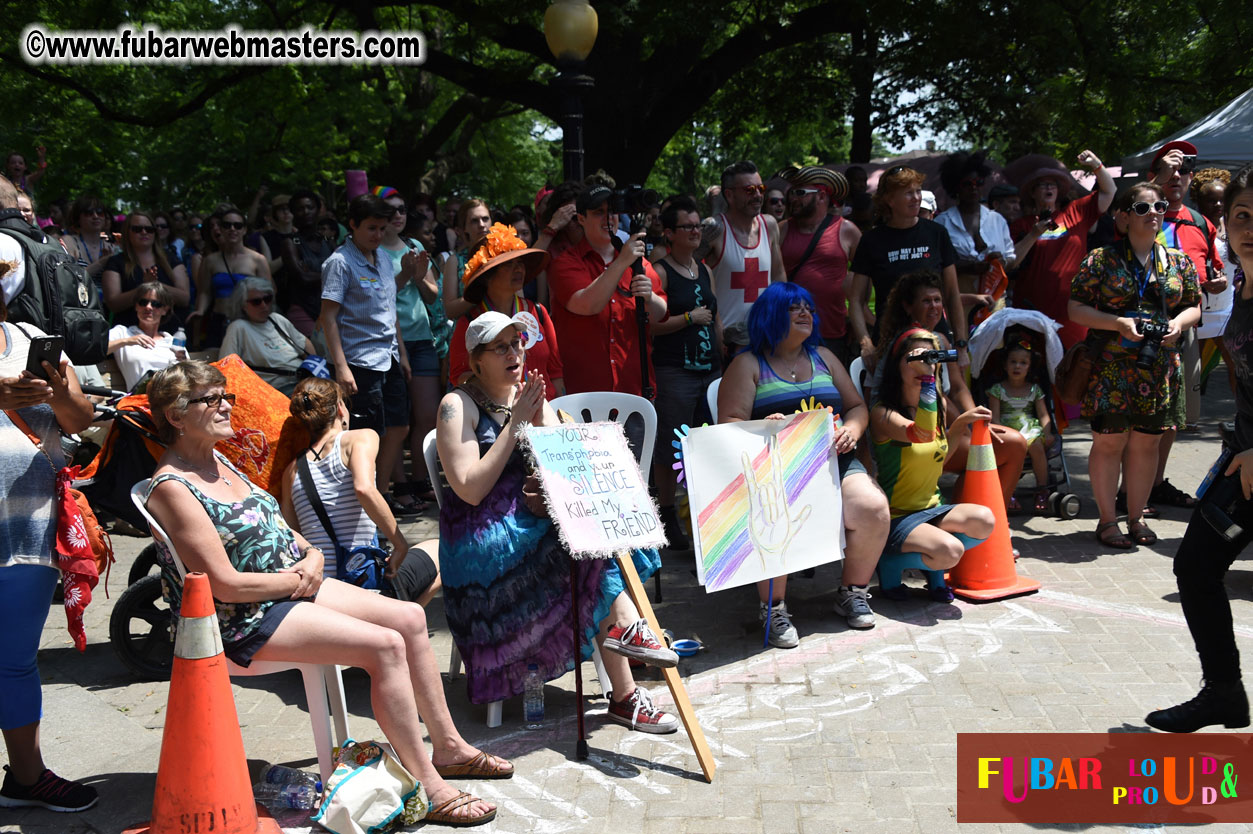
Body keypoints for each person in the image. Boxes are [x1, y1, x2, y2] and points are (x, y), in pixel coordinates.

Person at [143, 361, 503, 826]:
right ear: (175, 416)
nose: (226, 405)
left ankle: (449, 748)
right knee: (386, 645)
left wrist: (312, 556)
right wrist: (299, 579)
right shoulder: (173, 486)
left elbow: (281, 528)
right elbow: (224, 583)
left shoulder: (220, 459)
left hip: (289, 586)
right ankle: (429, 788)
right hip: (243, 617)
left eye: (225, 395)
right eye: (212, 399)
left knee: (410, 619)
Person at [436, 312, 681, 732]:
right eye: (501, 347)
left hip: (526, 521)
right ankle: (627, 653)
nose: (514, 353)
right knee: (579, 544)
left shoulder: (525, 393)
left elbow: (564, 461)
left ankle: (626, 657)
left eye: (517, 343)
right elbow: (469, 490)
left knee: (596, 525)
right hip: (481, 539)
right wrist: (516, 426)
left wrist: (545, 423)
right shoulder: (456, 405)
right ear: (476, 361)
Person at [718, 282, 891, 642]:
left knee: (873, 507)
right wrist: (764, 426)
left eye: (808, 308)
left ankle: (853, 593)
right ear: (769, 315)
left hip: (831, 462)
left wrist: (853, 432)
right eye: (794, 308)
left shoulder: (825, 357)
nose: (805, 314)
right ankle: (774, 610)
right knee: (773, 518)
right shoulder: (747, 364)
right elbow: (729, 423)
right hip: (774, 471)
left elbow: (857, 407)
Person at [1145, 163, 1253, 733]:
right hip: (1242, 457)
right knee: (1195, 566)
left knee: (1197, 566)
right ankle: (1224, 694)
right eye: (1242, 216)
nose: (1250, 228)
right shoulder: (1242, 284)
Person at [0, 213, 98, 812]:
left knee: (14, 660)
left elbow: (81, 421)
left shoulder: (25, 338)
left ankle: (27, 776)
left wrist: (60, 393)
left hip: (26, 532)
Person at [1067, 182, 1201, 550]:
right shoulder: (1101, 259)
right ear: (1123, 217)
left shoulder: (1178, 261)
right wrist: (1117, 323)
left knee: (1147, 444)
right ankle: (1108, 521)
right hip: (1112, 365)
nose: (1155, 213)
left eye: (1159, 206)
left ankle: (1137, 517)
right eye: (1144, 208)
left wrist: (1179, 323)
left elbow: (1194, 305)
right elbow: (1075, 308)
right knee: (1109, 443)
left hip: (1158, 366)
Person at [873, 271, 1030, 514]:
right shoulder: (911, 344)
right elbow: (933, 396)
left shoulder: (940, 342)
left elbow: (956, 387)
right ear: (907, 306)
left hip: (938, 431)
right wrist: (963, 426)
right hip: (912, 440)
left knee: (997, 441)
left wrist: (977, 423)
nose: (934, 306)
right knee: (1013, 445)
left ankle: (975, 519)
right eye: (926, 301)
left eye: (938, 300)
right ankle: (994, 522)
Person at [282, 377, 441, 605]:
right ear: (339, 408)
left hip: (323, 593)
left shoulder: (291, 470)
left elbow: (291, 532)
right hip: (364, 584)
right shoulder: (359, 438)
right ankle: (400, 618)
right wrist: (400, 544)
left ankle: (397, 618)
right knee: (443, 551)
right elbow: (364, 488)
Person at [870, 328, 995, 600]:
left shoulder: (934, 402)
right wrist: (929, 379)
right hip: (897, 517)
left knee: (984, 520)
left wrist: (960, 424)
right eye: (916, 357)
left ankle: (931, 559)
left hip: (931, 509)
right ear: (898, 364)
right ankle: (890, 563)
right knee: (950, 551)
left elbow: (937, 460)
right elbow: (922, 433)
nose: (925, 364)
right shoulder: (883, 413)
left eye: (930, 359)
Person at [1142, 142, 1227, 511]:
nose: (1177, 176)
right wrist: (1157, 183)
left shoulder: (1199, 221)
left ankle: (1155, 483)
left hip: (1186, 325)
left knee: (1176, 416)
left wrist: (1217, 281)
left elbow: (1213, 266)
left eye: (1184, 170)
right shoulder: (1140, 214)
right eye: (1168, 169)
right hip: (1141, 329)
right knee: (1141, 416)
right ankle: (1133, 490)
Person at [319, 194, 412, 518]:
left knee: (399, 426)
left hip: (388, 357)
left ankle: (380, 493)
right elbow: (328, 317)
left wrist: (402, 352)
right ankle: (362, 505)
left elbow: (390, 306)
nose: (377, 235)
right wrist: (342, 368)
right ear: (353, 225)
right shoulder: (339, 262)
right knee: (367, 435)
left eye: (382, 228)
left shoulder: (384, 258)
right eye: (371, 228)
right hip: (358, 362)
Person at [548, 185, 667, 396]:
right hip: (584, 393)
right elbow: (587, 305)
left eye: (612, 211)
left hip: (634, 389)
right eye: (598, 212)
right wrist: (621, 262)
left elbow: (660, 314)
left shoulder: (638, 261)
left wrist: (649, 297)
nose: (608, 218)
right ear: (581, 219)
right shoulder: (565, 263)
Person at [650, 197, 720, 549]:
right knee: (671, 445)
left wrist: (723, 357)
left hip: (710, 371)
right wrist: (689, 319)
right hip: (674, 371)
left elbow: (716, 316)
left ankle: (702, 512)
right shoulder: (659, 271)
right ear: (669, 233)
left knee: (706, 442)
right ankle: (666, 516)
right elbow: (650, 325)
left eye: (698, 226)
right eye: (687, 227)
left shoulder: (705, 269)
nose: (695, 232)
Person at [847, 166, 966, 370]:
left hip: (936, 338)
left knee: (939, 393)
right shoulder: (871, 240)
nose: (916, 198)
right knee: (892, 398)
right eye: (908, 192)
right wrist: (866, 343)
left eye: (918, 191)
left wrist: (961, 345)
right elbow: (856, 300)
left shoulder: (937, 233)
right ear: (889, 200)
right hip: (889, 343)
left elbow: (953, 294)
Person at [375, 186, 441, 512]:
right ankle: (401, 486)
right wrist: (404, 274)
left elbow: (431, 295)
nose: (398, 216)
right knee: (398, 418)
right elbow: (382, 295)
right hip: (388, 342)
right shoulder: (371, 251)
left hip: (422, 339)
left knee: (427, 416)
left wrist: (417, 276)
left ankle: (421, 479)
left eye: (402, 209)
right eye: (391, 211)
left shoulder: (414, 246)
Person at [1010, 150, 1115, 349]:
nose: (1049, 188)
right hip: (1031, 311)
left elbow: (1109, 191)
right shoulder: (1021, 225)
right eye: (1042, 185)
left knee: (1072, 369)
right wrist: (1033, 234)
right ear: (1032, 192)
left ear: (1059, 191)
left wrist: (1096, 165)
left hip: (1073, 312)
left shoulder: (1076, 211)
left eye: (1053, 184)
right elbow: (1010, 262)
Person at [448, 222, 563, 397]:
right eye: (508, 264)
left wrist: (560, 409)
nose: (518, 269)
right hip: (502, 418)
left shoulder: (538, 312)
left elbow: (556, 372)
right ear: (486, 276)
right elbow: (458, 377)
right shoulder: (470, 323)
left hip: (547, 414)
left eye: (520, 263)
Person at [698, 161, 787, 360]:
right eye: (749, 190)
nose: (757, 195)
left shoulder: (770, 225)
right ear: (729, 195)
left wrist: (782, 320)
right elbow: (691, 277)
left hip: (765, 336)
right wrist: (715, 327)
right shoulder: (714, 230)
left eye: (760, 188)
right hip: (726, 341)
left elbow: (779, 276)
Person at [779, 166, 861, 366]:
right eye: (791, 193)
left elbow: (864, 278)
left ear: (822, 196)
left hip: (832, 332)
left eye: (800, 193)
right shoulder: (781, 230)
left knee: (830, 394)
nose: (792, 199)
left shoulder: (847, 230)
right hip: (788, 332)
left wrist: (857, 315)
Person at [935, 151, 1016, 315]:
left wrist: (998, 262)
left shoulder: (997, 220)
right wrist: (967, 267)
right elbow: (936, 265)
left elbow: (1011, 258)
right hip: (959, 300)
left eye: (978, 183)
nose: (974, 188)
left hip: (994, 299)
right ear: (956, 186)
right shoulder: (942, 223)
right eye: (967, 184)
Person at [987, 342, 1055, 513]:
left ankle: (1042, 489)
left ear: (1029, 367)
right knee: (1005, 449)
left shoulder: (1034, 389)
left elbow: (1043, 414)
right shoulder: (997, 390)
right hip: (1006, 427)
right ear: (1005, 365)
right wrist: (999, 431)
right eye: (1013, 362)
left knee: (1037, 447)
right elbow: (994, 416)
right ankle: (1007, 491)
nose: (1017, 366)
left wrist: (1047, 432)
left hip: (1029, 427)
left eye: (1023, 363)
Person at [219, 277, 315, 395]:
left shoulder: (276, 319)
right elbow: (227, 365)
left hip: (304, 380)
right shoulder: (238, 327)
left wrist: (316, 371)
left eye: (267, 299)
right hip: (277, 388)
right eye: (256, 302)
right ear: (243, 305)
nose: (264, 305)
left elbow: (305, 344)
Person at [193, 205, 272, 348]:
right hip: (219, 320)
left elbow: (270, 293)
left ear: (245, 229)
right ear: (221, 229)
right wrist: (200, 310)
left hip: (249, 321)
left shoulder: (257, 259)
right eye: (227, 225)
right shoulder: (210, 260)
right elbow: (204, 292)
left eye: (238, 225)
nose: (232, 229)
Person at [102, 212, 192, 327]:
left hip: (168, 332)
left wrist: (155, 285)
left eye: (149, 229)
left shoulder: (171, 259)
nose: (144, 232)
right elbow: (113, 304)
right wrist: (143, 288)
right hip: (129, 332)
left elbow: (184, 298)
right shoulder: (116, 262)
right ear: (127, 232)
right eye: (137, 229)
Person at [106, 281, 187, 391]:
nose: (148, 307)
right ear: (136, 306)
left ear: (165, 310)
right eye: (143, 302)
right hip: (139, 400)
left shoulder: (174, 341)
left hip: (170, 399)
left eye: (156, 304)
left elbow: (186, 380)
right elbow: (98, 350)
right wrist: (127, 341)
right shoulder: (123, 333)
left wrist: (184, 363)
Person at [280, 189, 336, 339]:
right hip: (303, 309)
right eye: (300, 209)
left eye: (310, 207)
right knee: (314, 357)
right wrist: (331, 273)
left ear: (318, 210)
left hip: (332, 308)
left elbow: (344, 273)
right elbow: (302, 278)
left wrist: (311, 273)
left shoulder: (328, 242)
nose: (305, 212)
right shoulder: (290, 243)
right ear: (293, 213)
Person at [441, 199, 493, 322]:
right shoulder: (455, 261)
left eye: (485, 219)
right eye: (474, 221)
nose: (481, 224)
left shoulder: (505, 255)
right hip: (466, 334)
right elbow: (449, 311)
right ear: (464, 229)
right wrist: (479, 292)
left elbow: (518, 297)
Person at [61, 195, 116, 287]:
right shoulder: (69, 242)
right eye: (89, 213)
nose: (95, 216)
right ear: (78, 218)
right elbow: (68, 278)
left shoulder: (112, 247)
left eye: (100, 213)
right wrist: (101, 263)